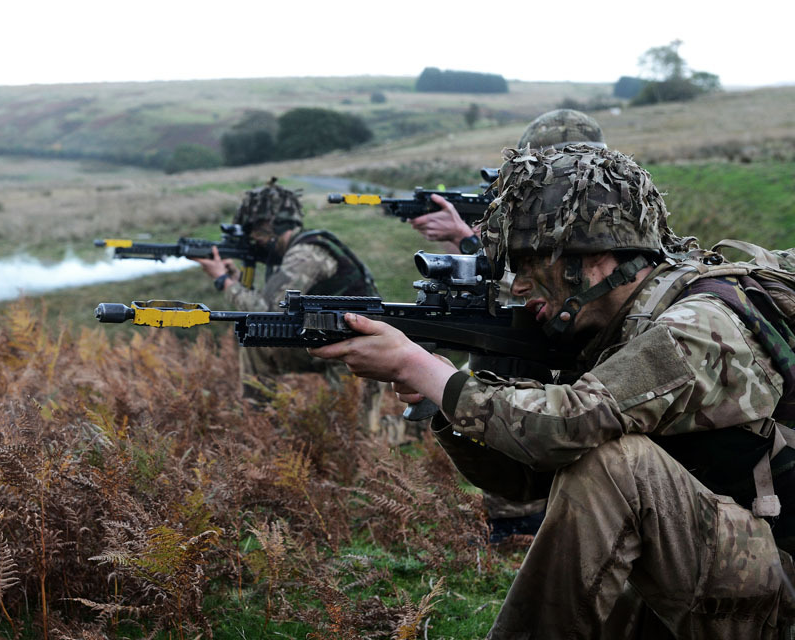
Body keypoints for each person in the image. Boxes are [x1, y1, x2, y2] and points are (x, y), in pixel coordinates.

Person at [311, 144, 795, 637]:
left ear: (597, 256)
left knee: (617, 462)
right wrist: (442, 396)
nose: (517, 286)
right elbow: (525, 481)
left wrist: (427, 372)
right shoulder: (613, 330)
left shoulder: (700, 324)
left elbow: (570, 424)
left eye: (527, 263)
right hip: (727, 563)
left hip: (779, 584)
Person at [413, 109, 610, 539]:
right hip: (518, 401)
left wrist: (466, 237)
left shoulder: (607, 219)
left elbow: (531, 281)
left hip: (566, 411)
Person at [193, 177, 385, 436]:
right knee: (255, 344)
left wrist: (224, 282)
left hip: (360, 350)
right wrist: (237, 280)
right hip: (328, 342)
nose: (255, 240)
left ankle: (410, 432)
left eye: (256, 231)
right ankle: (260, 430)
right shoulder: (298, 251)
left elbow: (266, 312)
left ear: (275, 226)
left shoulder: (305, 254)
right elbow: (269, 311)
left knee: (354, 437)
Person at [410, 108, 607, 252]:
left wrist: (464, 237)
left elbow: (520, 290)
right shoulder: (613, 198)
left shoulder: (587, 213)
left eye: (533, 170)